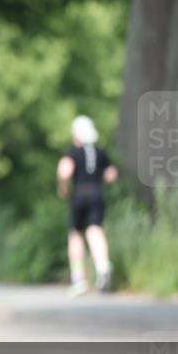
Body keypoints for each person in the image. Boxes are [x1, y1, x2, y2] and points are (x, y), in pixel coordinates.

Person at [58, 115, 118, 296]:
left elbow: (65, 170)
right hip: (97, 193)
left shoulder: (73, 152)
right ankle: (102, 267)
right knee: (95, 229)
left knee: (75, 234)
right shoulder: (101, 152)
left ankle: (79, 279)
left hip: (80, 193)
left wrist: (62, 187)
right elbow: (111, 174)